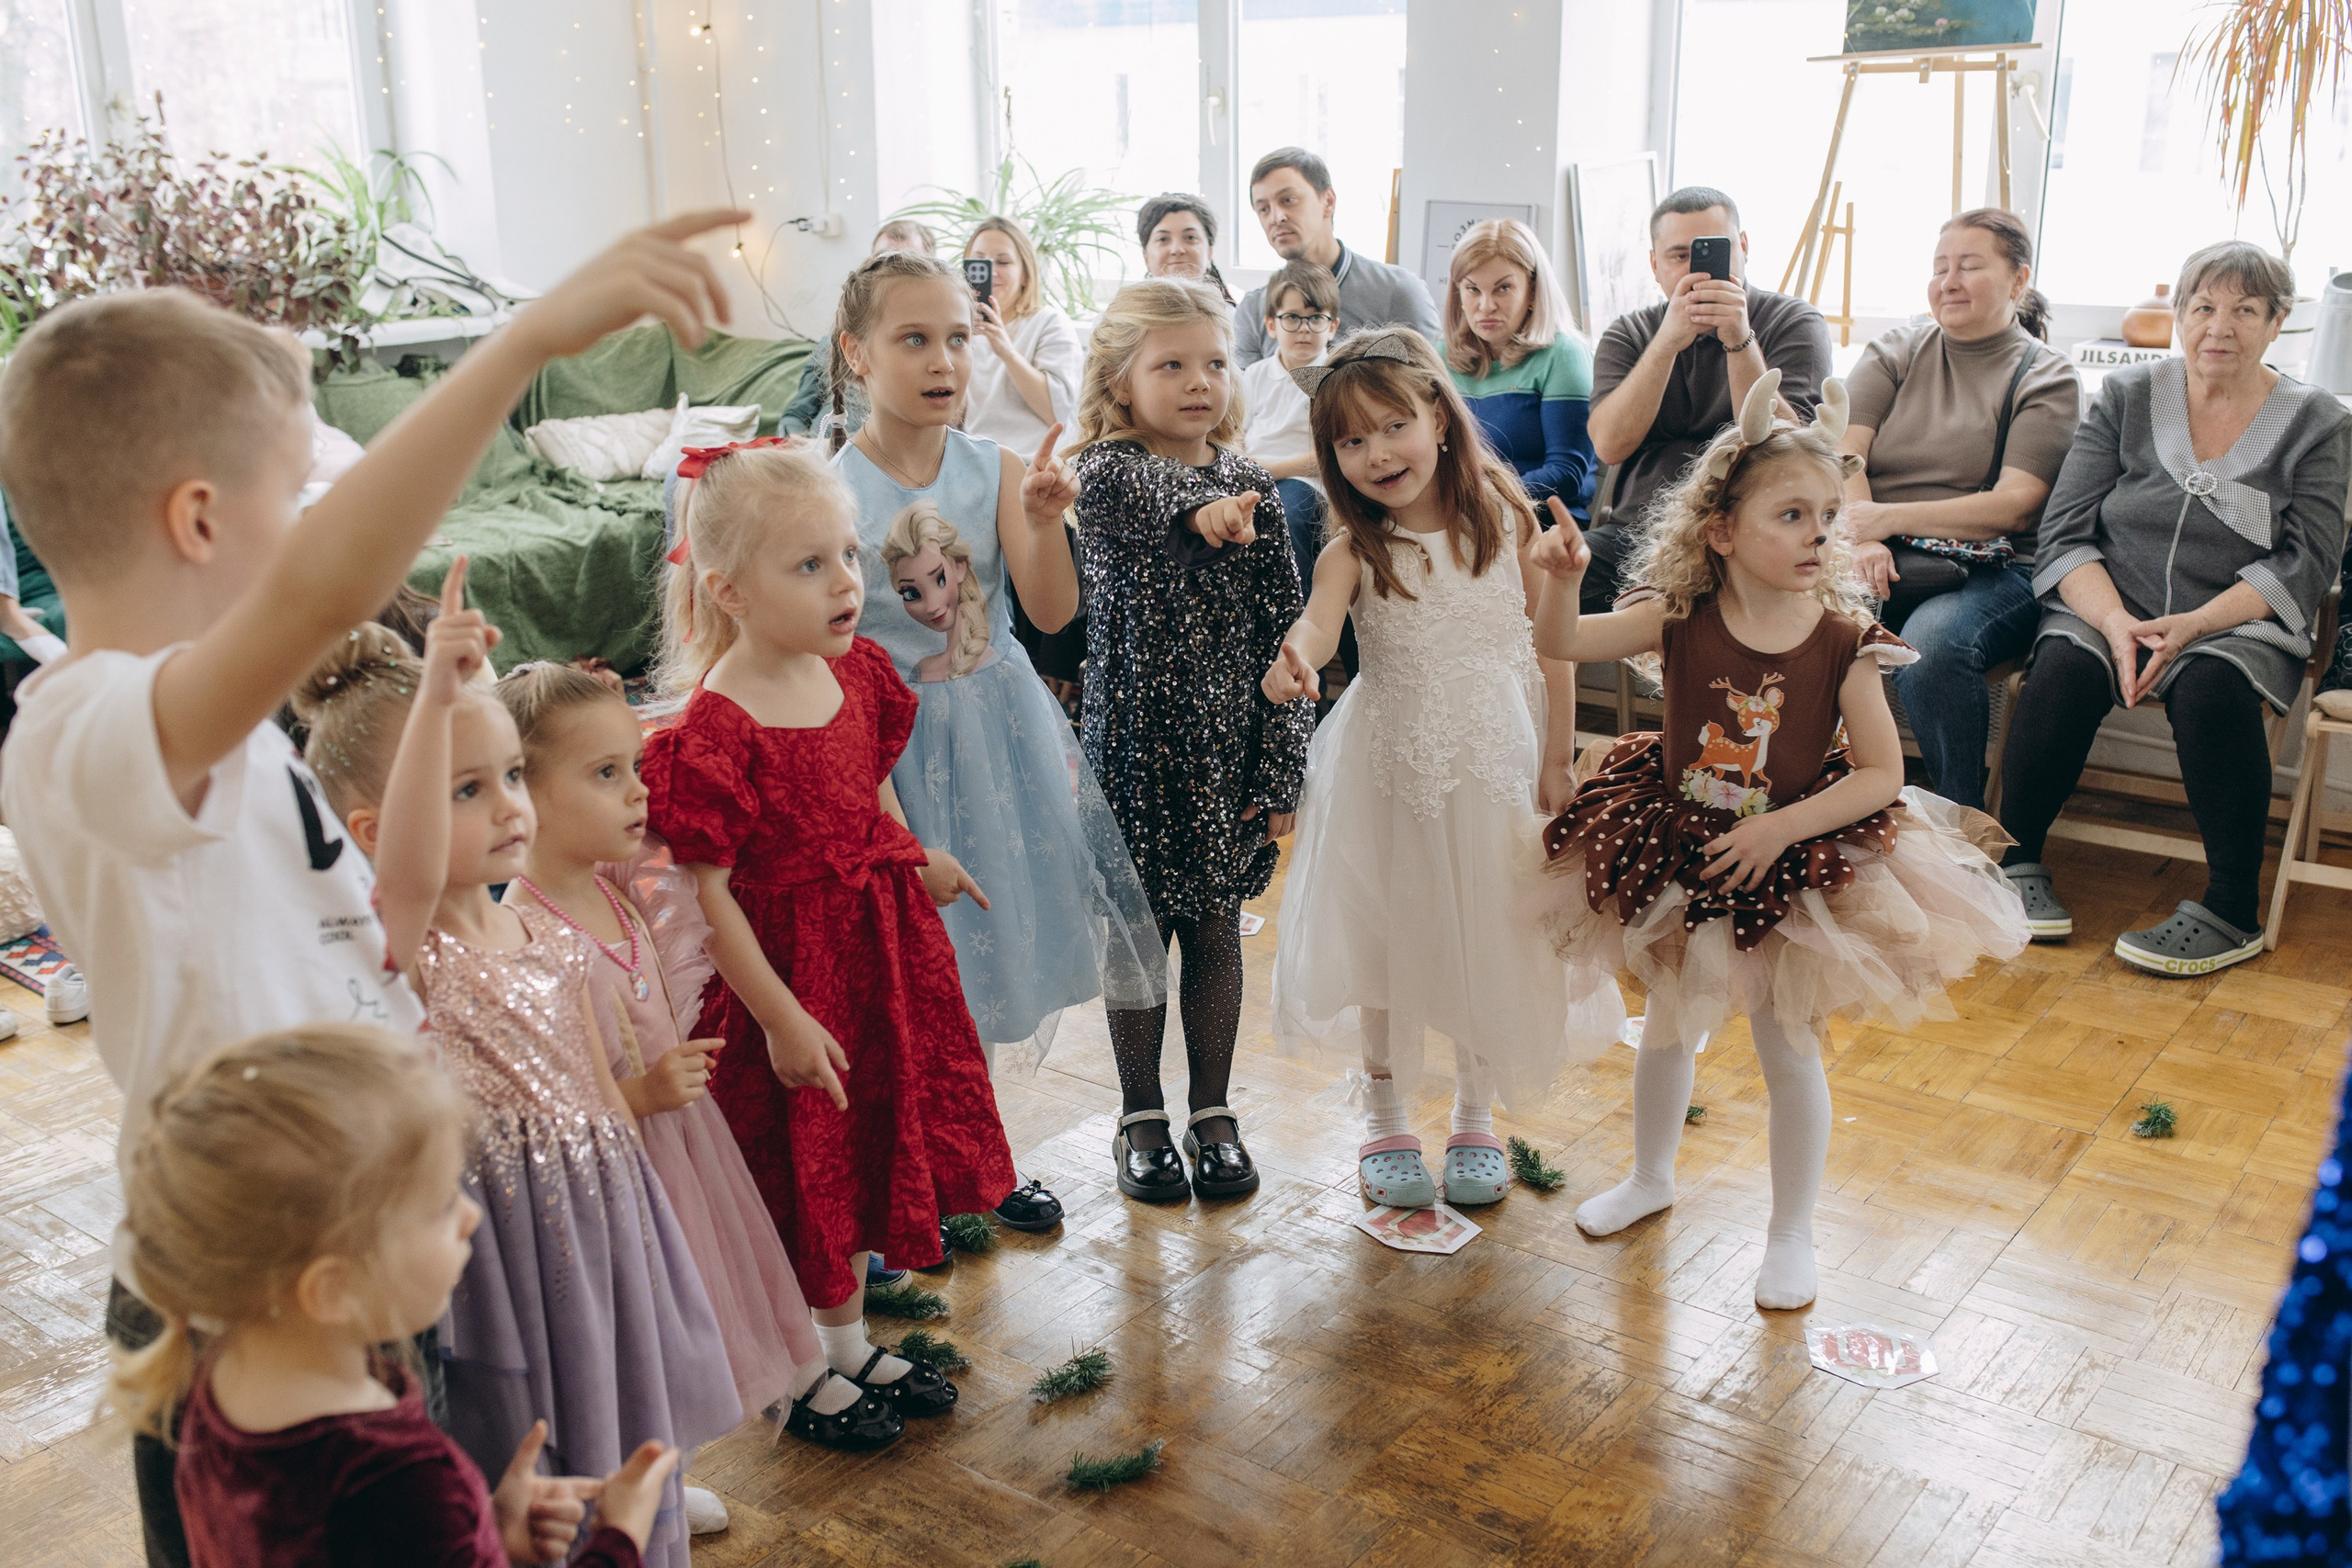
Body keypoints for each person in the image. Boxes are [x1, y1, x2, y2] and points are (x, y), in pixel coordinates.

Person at [0, 209, 741, 1568]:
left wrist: (447, 701)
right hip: (249, 1276)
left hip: (357, 1243)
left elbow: (386, 912)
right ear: (202, 518)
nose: (314, 533)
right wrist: (520, 342)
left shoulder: (224, 751)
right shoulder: (89, 729)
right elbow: (332, 579)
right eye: (296, 491)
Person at [1532, 370, 2029, 1310]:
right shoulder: (1677, 617)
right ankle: (1650, 1176)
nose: (1816, 535)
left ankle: (1789, 1232)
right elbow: (1561, 643)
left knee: (1786, 1042)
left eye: (1825, 515)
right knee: (1670, 1025)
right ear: (1721, 530)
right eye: (1789, 514)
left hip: (1798, 857)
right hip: (1680, 844)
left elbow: (1882, 774)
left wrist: (1780, 832)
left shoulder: (1845, 641)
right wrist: (1557, 584)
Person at [294, 581, 741, 1568]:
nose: (510, 808)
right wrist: (442, 693)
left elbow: (595, 1095)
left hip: (606, 1214)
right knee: (533, 1429)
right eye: (468, 790)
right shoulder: (401, 959)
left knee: (623, 1396)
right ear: (379, 829)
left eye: (511, 777)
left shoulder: (547, 932)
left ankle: (638, 1525)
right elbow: (407, 878)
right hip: (502, 1245)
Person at [643, 445, 1016, 1415]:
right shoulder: (716, 727)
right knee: (803, 1168)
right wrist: (777, 1020)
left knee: (859, 1149)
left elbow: (870, 790)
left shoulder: (852, 671)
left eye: (846, 555)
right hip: (789, 972)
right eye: (808, 565)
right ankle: (795, 1368)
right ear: (727, 590)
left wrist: (911, 854)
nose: (846, 582)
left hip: (875, 949)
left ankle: (845, 1341)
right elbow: (710, 896)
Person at [824, 249, 1163, 1229]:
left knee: (993, 944)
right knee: (917, 962)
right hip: (893, 754)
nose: (944, 362)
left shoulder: (999, 468)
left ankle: (981, 1156)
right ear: (856, 352)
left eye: (958, 340)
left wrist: (1046, 523)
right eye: (913, 340)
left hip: (1000, 739)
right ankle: (925, 1165)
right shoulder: (831, 491)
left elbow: (1051, 612)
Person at [493, 662, 904, 1454]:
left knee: (680, 1315)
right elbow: (535, 1110)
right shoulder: (528, 932)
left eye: (635, 769)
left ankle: (667, 1463)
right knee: (626, 1328)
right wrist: (642, 1093)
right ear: (526, 794)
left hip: (677, 1150)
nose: (638, 793)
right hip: (610, 1173)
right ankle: (645, 1476)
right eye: (606, 774)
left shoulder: (609, 892)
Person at [1263, 329, 1623, 1209]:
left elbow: (1557, 650)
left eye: (1393, 426)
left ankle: (1474, 1110)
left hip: (1497, 764)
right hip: (1388, 768)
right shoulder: (1353, 552)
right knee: (1385, 936)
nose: (1377, 453)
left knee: (1490, 932)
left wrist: (1557, 759)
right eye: (1351, 440)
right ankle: (1385, 1111)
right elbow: (1317, 624)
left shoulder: (1506, 525)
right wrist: (1296, 657)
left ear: (1440, 419)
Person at [108, 1024, 680, 1568]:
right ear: (332, 1291)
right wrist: (620, 1536)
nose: (470, 1217)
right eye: (439, 1208)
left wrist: (486, 1532)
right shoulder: (399, 1480)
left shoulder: (210, 1389)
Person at [1995, 242, 2352, 977]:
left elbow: (2307, 561)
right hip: (2108, 601)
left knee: (2214, 688)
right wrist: (2116, 622)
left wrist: (2194, 624)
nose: (2220, 326)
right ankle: (2015, 861)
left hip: (2239, 620)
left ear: (2278, 321)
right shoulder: (2126, 398)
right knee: (2060, 670)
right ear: (2182, 315)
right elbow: (2067, 530)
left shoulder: (2318, 421)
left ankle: (2231, 908)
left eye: (2245, 310)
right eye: (2204, 307)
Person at [1069, 278, 1313, 1202]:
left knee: (1214, 934)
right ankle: (1140, 1115)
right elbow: (1164, 499)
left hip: (1225, 756)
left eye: (1213, 361)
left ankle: (1212, 1111)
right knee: (1135, 939)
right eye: (1170, 364)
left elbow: (1283, 634)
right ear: (1121, 381)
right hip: (1130, 752)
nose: (1198, 380)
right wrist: (1211, 514)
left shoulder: (1250, 481)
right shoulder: (1106, 475)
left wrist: (1283, 759)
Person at [1838, 209, 2080, 811]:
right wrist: (1864, 538)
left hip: (1996, 570)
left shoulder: (2046, 375)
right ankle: (1810, 800)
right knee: (1786, 623)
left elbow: (2017, 506)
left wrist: (1887, 521)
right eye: (1940, 266)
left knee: (1932, 646)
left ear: (2019, 281)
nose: (1948, 281)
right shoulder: (1897, 348)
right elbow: (1843, 457)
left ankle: (1959, 827)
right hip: (1877, 553)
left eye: (1969, 266)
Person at [1586, 186, 1833, 610]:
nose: (1693, 269)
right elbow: (1610, 444)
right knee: (1538, 587)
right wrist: (1666, 343)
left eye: (1713, 251)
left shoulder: (1793, 321)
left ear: (1743, 248)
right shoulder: (1629, 334)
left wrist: (1739, 338)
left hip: (1749, 540)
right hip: (1639, 533)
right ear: (1654, 265)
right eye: (1679, 256)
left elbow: (1788, 446)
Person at [1442, 218, 1597, 517]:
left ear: (1532, 291)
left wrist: (1478, 498)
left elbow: (1567, 475)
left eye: (1503, 288)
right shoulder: (1437, 356)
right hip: (1453, 517)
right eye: (1473, 289)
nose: (1486, 306)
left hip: (1539, 525)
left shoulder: (1564, 355)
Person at [1234, 147, 1439, 367]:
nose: (1276, 217)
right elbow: (1244, 398)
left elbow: (1436, 390)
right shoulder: (1255, 309)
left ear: (1328, 201)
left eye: (1288, 200)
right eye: (1263, 209)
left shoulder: (1398, 291)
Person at [781, 218, 937, 439]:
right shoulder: (832, 343)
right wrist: (801, 447)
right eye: (882, 260)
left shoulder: (941, 353)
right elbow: (795, 416)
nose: (892, 271)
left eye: (906, 262)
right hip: (817, 458)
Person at [1240, 260, 1340, 588]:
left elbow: (1334, 454)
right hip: (1252, 476)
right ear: (1271, 325)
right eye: (1292, 318)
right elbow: (1236, 435)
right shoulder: (1255, 375)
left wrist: (1274, 469)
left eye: (1316, 319)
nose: (1304, 329)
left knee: (1283, 514)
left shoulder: (1335, 376)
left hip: (1307, 481)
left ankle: (1299, 617)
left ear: (1333, 326)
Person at [956, 214, 1082, 458]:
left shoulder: (1049, 323)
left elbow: (1060, 413)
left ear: (1025, 274)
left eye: (1003, 262)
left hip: (1035, 462)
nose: (991, 271)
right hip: (977, 460)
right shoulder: (959, 329)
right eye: (980, 262)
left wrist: (1006, 351)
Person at [1136, 192, 1234, 302]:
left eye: (1190, 237)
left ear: (1209, 252)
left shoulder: (1234, 317)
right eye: (1163, 239)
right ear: (1146, 256)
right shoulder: (1123, 316)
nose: (1177, 250)